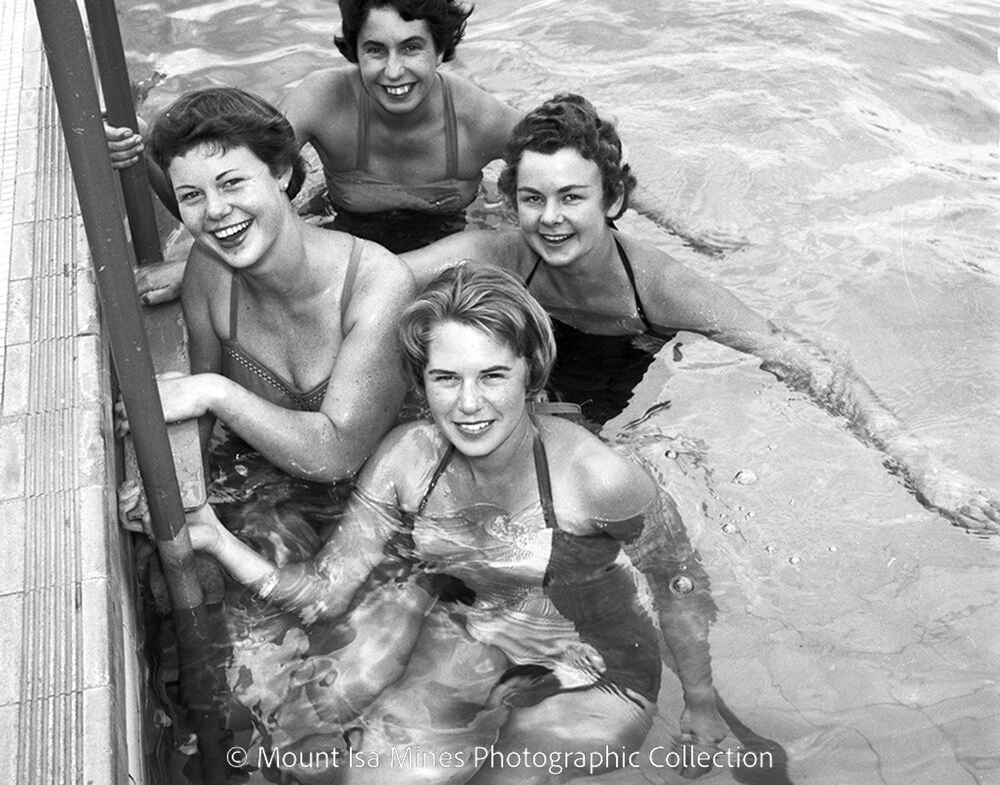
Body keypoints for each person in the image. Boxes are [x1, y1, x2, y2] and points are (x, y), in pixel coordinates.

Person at [159, 264, 728, 782]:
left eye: (492, 376)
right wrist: (215, 537)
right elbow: (326, 593)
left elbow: (679, 580)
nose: (468, 404)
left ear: (531, 373)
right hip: (479, 635)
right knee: (370, 775)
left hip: (596, 667)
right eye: (446, 378)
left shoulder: (599, 479)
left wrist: (700, 704)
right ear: (421, 380)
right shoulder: (407, 459)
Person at [401, 94, 1000, 535]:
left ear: (612, 200)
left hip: (617, 362)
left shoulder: (658, 287)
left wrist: (921, 464)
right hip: (519, 364)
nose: (550, 218)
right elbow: (384, 273)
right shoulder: (502, 254)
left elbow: (800, 359)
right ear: (513, 202)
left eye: (572, 197)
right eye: (533, 199)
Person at [107, 0, 521, 258]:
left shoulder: (477, 118)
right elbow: (227, 190)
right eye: (375, 51)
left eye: (411, 49)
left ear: (440, 49)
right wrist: (142, 150)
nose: (393, 72)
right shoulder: (324, 101)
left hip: (447, 249)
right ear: (354, 52)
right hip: (344, 240)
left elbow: (573, 165)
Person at [121, 87, 414, 494]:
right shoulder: (208, 273)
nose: (215, 211)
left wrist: (214, 392)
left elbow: (338, 455)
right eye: (191, 196)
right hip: (272, 481)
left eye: (232, 183)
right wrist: (161, 489)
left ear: (282, 172)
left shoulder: (378, 285)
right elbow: (202, 424)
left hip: (389, 500)